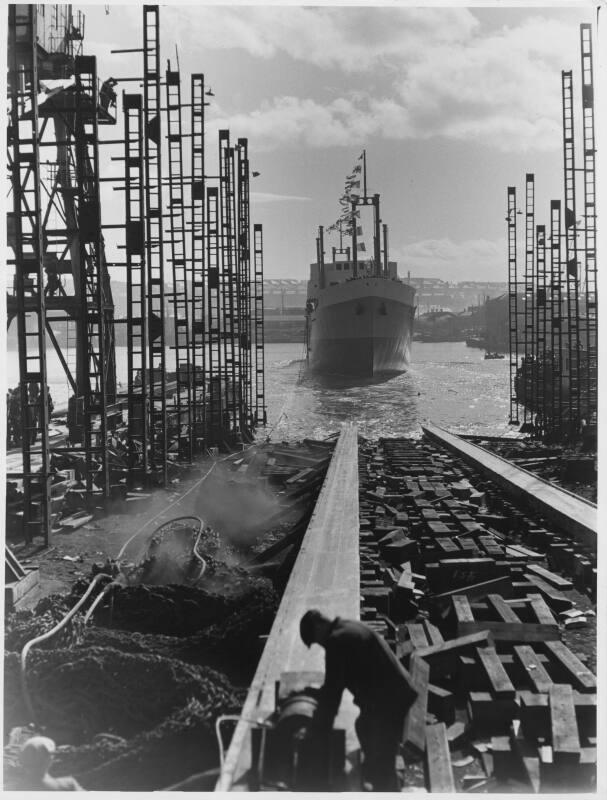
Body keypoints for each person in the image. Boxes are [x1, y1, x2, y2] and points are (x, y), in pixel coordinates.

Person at [299, 609, 417, 791]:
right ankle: (382, 776)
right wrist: (319, 694)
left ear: (319, 625)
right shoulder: (346, 627)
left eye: (315, 640)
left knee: (380, 751)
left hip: (389, 699)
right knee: (364, 727)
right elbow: (335, 685)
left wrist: (317, 734)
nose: (320, 645)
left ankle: (387, 785)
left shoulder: (336, 640)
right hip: (394, 691)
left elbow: (333, 695)